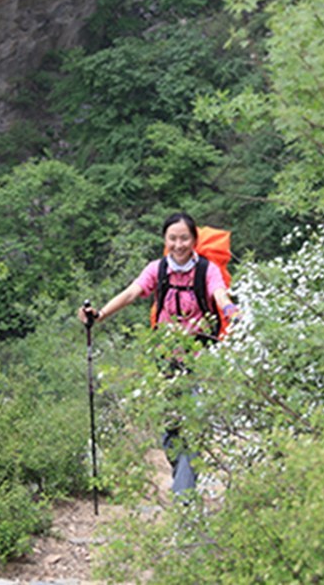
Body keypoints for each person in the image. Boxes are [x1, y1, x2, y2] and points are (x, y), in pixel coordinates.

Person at [77, 212, 238, 497]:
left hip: (200, 359)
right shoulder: (158, 269)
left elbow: (219, 293)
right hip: (165, 360)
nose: (179, 244)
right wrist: (99, 315)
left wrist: (229, 311)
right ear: (165, 240)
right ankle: (183, 479)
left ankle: (184, 501)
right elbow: (131, 293)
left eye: (184, 238)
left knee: (193, 427)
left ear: (194, 240)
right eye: (173, 238)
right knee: (170, 430)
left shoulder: (207, 269)